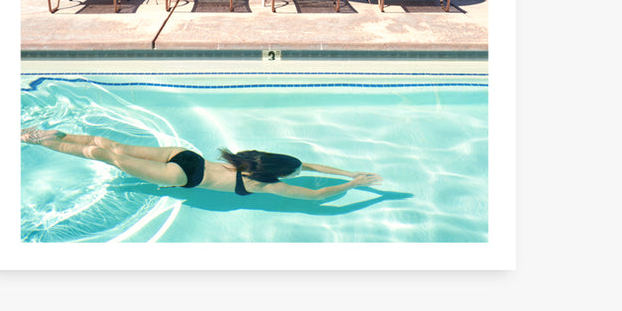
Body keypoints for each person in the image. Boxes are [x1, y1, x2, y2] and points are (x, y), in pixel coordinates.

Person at [21, 128, 382, 200]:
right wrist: (352, 184)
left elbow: (310, 166)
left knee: (112, 145)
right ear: (278, 174)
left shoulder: (254, 159)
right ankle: (46, 143)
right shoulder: (262, 183)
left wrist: (349, 171)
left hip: (185, 155)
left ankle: (51, 134)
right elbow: (315, 196)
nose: (298, 173)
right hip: (181, 174)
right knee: (110, 156)